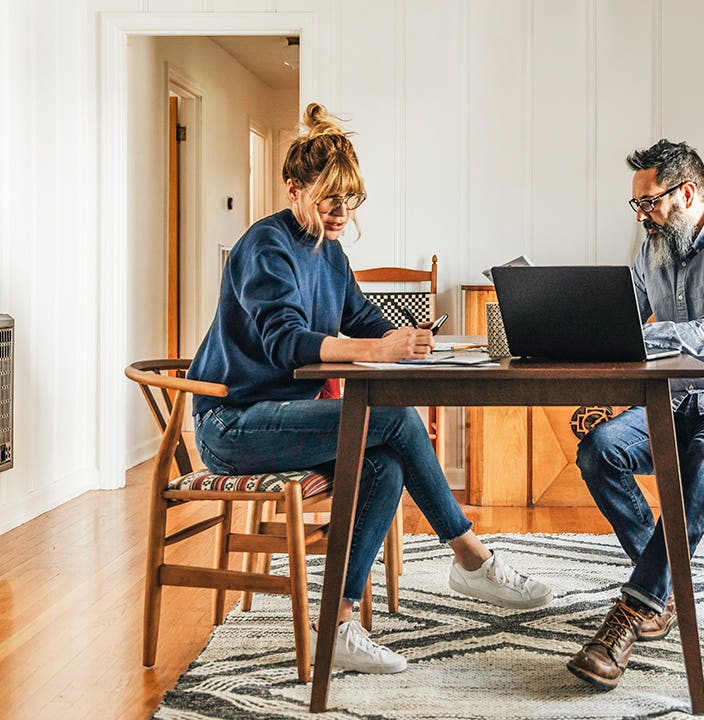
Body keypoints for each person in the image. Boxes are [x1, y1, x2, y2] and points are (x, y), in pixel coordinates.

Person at [187, 103, 552, 676]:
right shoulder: (265, 247)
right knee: (397, 420)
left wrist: (406, 336)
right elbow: (286, 343)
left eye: (350, 199)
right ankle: (469, 556)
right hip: (233, 424)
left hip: (286, 417)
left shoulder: (329, 254)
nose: (341, 211)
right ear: (294, 189)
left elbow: (360, 317)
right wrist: (376, 352)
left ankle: (337, 623)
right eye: (330, 198)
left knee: (384, 464)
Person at [566, 140, 704, 689]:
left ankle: (630, 613)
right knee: (598, 451)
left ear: (686, 193)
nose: (642, 215)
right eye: (637, 205)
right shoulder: (652, 252)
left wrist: (639, 334)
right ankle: (662, 588)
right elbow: (625, 318)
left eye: (650, 203)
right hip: (674, 402)